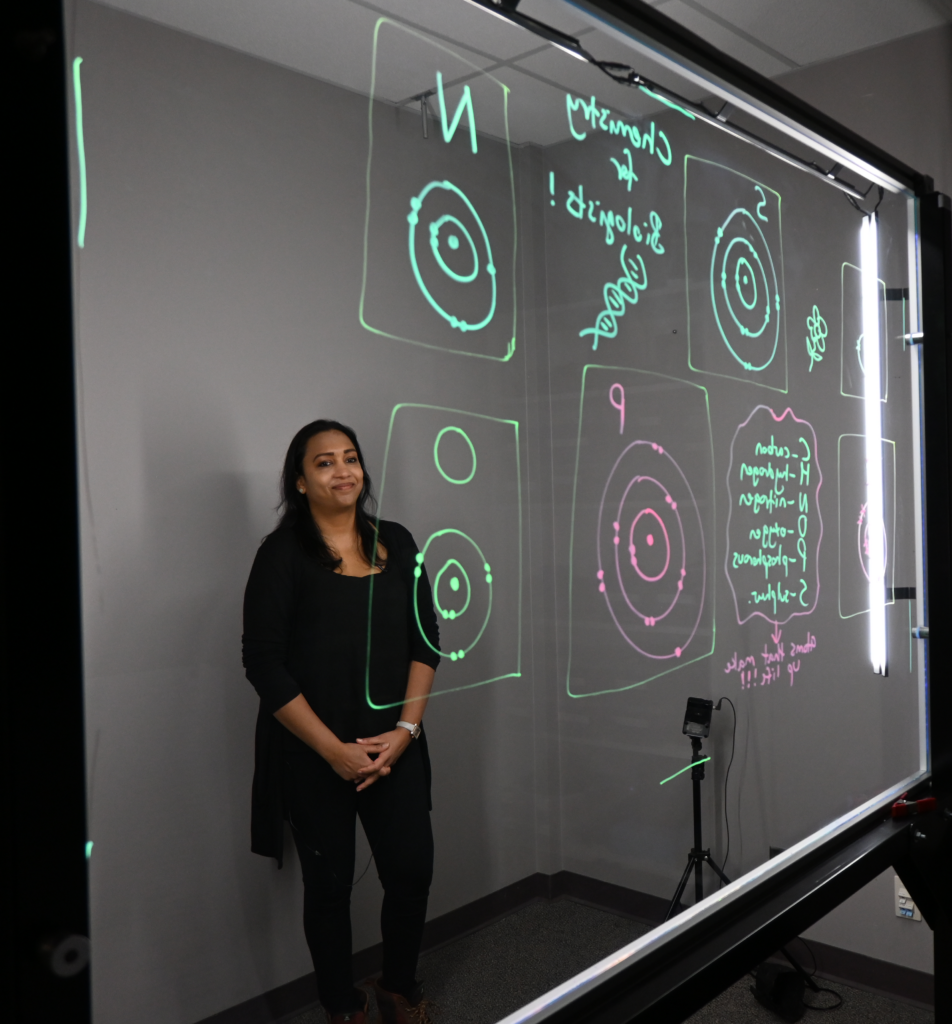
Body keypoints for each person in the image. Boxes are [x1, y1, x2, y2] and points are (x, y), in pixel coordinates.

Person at [242, 419, 440, 1024]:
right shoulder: (281, 556)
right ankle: (341, 1005)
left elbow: (426, 640)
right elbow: (263, 664)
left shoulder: (398, 542)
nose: (342, 471)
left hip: (395, 750)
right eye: (323, 462)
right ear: (300, 481)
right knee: (328, 890)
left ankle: (397, 986)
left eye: (350, 458)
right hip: (313, 755)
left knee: (411, 870)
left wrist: (404, 734)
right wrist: (334, 751)